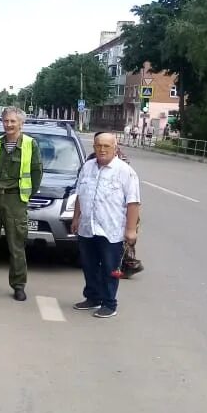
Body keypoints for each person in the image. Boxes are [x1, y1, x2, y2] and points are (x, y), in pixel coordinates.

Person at [0, 107, 43, 302]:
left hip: (15, 200)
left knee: (16, 245)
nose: (9, 125)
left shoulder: (31, 144)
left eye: (13, 121)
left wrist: (26, 195)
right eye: (6, 121)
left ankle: (18, 285)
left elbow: (37, 173)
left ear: (21, 123)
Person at [71, 132, 141, 318]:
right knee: (89, 265)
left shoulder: (125, 171)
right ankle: (93, 297)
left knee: (110, 268)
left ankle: (109, 303)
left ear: (115, 148)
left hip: (112, 229)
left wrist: (131, 230)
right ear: (94, 147)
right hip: (88, 226)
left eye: (106, 146)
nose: (102, 149)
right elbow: (80, 194)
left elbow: (133, 202)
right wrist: (76, 218)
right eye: (98, 146)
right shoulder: (87, 167)